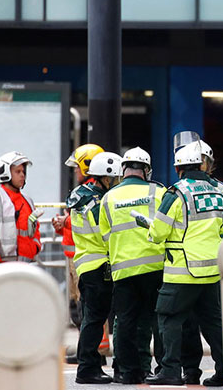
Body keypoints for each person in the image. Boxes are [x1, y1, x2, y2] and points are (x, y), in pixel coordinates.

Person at [144, 141, 223, 387]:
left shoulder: (176, 193)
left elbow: (158, 231)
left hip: (182, 271)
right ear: (202, 164)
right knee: (213, 324)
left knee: (169, 318)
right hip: (212, 270)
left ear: (178, 167)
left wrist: (148, 228)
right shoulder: (221, 190)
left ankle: (170, 370)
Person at [99, 146, 166, 384]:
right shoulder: (159, 192)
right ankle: (162, 369)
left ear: (123, 169)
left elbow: (104, 236)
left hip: (124, 268)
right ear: (146, 170)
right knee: (158, 319)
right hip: (155, 266)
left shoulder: (108, 197)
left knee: (125, 321)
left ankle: (127, 371)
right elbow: (168, 226)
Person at [72, 152, 123, 384]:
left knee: (91, 317)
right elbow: (105, 234)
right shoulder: (99, 201)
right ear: (106, 178)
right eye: (115, 179)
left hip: (86, 263)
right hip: (99, 264)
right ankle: (87, 369)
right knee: (94, 318)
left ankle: (89, 365)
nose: (117, 183)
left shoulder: (82, 195)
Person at [56, 143, 105, 362]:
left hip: (85, 258)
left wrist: (64, 220)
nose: (75, 171)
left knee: (87, 308)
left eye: (78, 167)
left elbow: (88, 221)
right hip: (75, 256)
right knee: (78, 308)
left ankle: (93, 352)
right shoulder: (85, 192)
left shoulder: (91, 194)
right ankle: (87, 349)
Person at [0, 151, 41, 268]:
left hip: (25, 265)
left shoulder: (28, 201)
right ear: (5, 172)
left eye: (23, 171)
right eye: (18, 171)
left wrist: (35, 247)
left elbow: (35, 229)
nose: (22, 175)